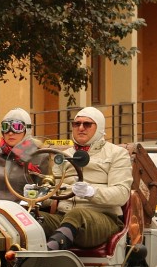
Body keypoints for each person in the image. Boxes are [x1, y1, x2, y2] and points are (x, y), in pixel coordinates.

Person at [43, 107, 132, 251]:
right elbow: (55, 192)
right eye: (76, 124)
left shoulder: (117, 154)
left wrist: (92, 192)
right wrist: (38, 194)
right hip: (64, 217)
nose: (81, 128)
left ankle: (47, 254)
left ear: (99, 128)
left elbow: (122, 194)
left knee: (77, 214)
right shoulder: (63, 156)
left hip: (102, 220)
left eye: (87, 124)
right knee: (31, 218)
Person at [0, 108, 52, 201]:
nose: (10, 132)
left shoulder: (40, 156)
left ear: (27, 130)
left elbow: (45, 194)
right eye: (6, 127)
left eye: (17, 127)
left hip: (22, 212)